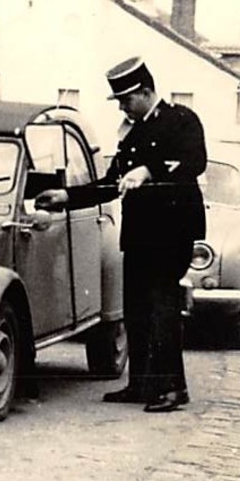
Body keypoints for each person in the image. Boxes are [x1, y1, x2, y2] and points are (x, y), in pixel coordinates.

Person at [36, 56, 206, 413]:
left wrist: (149, 169)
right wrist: (68, 197)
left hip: (171, 234)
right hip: (140, 235)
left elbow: (194, 162)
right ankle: (142, 384)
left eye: (127, 100)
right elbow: (112, 183)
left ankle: (174, 388)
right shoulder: (132, 133)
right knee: (137, 311)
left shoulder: (181, 121)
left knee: (163, 310)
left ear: (145, 92)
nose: (124, 108)